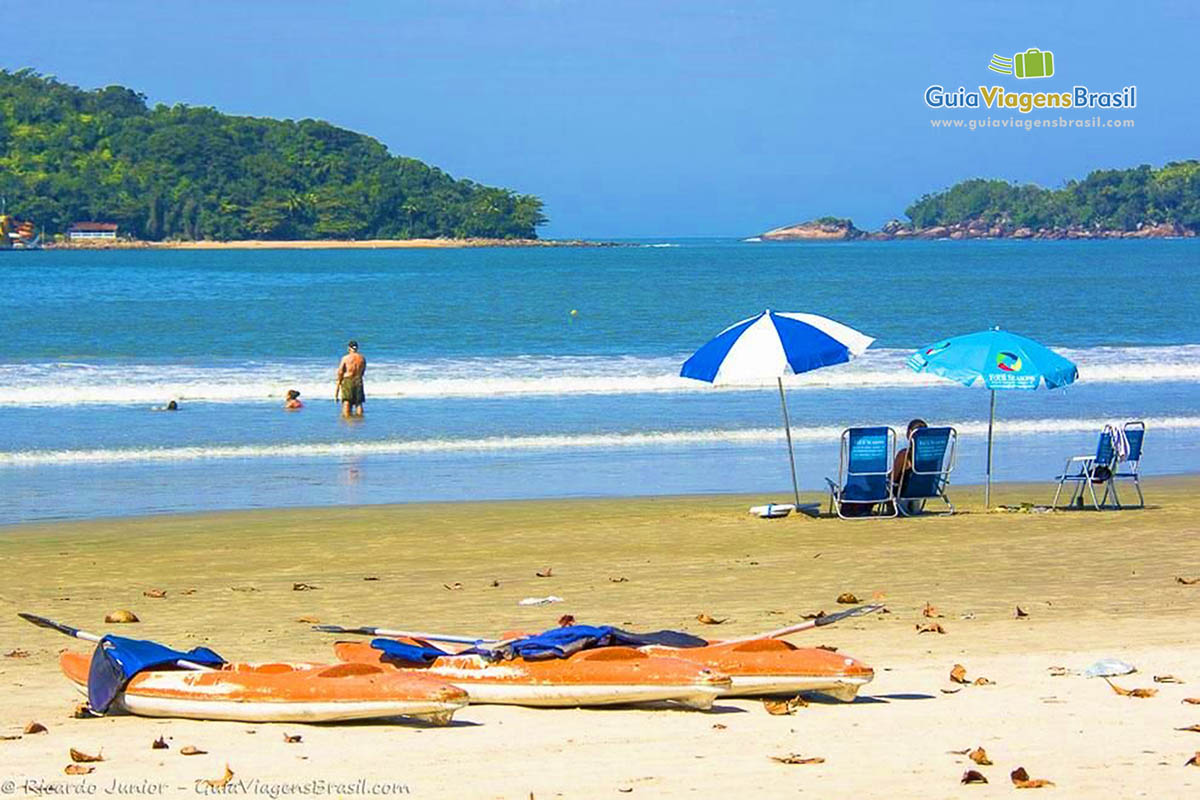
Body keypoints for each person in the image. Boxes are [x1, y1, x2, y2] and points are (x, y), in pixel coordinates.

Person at [892, 418, 928, 514]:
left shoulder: (904, 454)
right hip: (923, 491)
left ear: (910, 433)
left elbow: (893, 479)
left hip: (903, 495)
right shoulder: (931, 456)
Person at [336, 340, 366, 417]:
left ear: (349, 348)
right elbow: (363, 371)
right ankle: (360, 418)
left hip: (348, 380)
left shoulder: (345, 358)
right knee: (358, 402)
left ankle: (347, 419)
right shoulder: (362, 358)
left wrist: (338, 383)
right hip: (358, 380)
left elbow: (340, 371)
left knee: (347, 401)